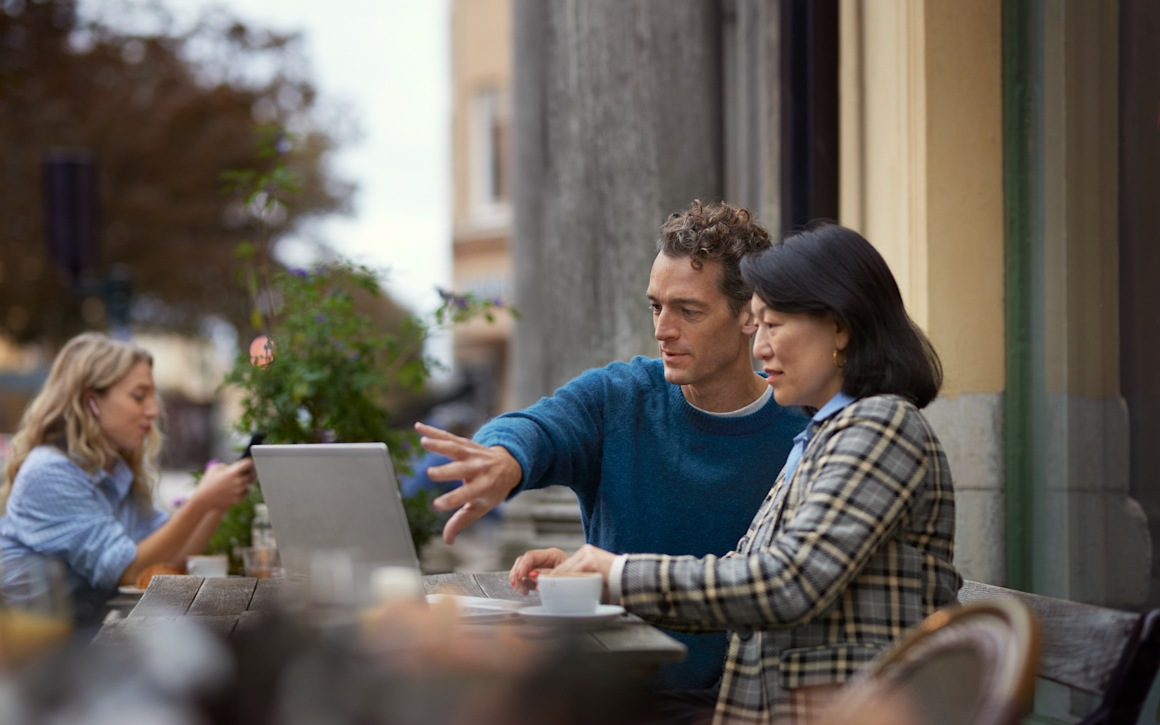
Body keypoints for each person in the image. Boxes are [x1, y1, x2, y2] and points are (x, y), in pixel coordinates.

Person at [510, 223, 962, 724]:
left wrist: (614, 574)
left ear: (840, 328)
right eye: (759, 325)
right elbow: (746, 579)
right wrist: (593, 579)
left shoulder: (880, 426)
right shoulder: (823, 435)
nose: (762, 347)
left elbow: (786, 581)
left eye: (777, 325)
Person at [417, 201, 808, 690]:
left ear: (751, 314)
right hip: (610, 692)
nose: (662, 330)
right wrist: (504, 459)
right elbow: (539, 427)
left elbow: (783, 583)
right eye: (656, 307)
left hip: (734, 703)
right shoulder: (620, 395)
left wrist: (607, 571)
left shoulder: (803, 427)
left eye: (688, 311)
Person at [0, 333, 255, 627]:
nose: (154, 410)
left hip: (85, 637)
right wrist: (201, 501)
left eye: (152, 396)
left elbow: (167, 562)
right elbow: (129, 571)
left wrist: (217, 505)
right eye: (138, 395)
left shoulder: (118, 472)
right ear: (92, 402)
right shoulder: (49, 472)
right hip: (33, 654)